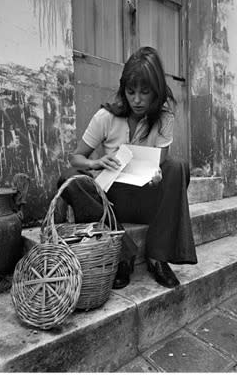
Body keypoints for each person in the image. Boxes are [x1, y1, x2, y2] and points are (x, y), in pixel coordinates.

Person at [57, 46, 195, 290]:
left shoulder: (164, 118)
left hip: (148, 199)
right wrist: (95, 163)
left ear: (156, 92)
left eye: (145, 92)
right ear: (124, 90)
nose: (137, 100)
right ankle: (123, 254)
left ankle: (157, 257)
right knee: (70, 179)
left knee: (178, 166)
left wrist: (157, 173)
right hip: (111, 204)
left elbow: (162, 161)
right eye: (131, 92)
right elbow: (75, 158)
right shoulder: (105, 117)